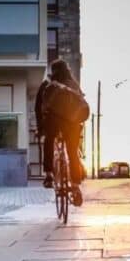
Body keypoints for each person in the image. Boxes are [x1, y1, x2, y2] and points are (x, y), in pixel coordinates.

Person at [35, 59, 87, 206]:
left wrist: (40, 128)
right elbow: (81, 106)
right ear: (67, 70)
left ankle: (49, 175)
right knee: (72, 152)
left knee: (49, 140)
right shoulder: (74, 85)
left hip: (53, 123)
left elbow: (38, 108)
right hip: (72, 124)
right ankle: (75, 186)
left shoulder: (47, 84)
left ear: (53, 71)